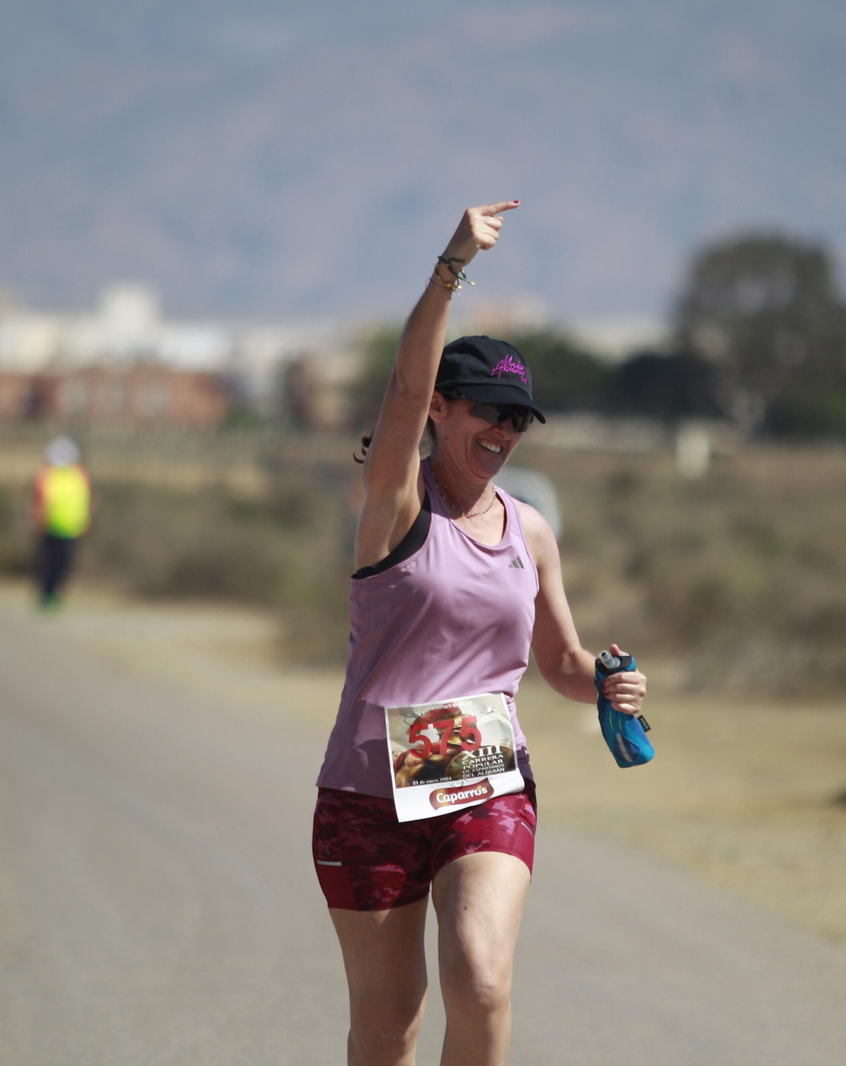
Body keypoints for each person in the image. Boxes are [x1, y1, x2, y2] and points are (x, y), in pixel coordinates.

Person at [313, 201, 648, 1066]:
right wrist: (451, 267)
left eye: (518, 418)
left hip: (482, 780)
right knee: (387, 1028)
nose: (503, 430)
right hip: (367, 794)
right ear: (441, 409)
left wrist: (604, 682)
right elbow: (400, 391)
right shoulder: (397, 506)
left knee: (482, 980)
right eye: (488, 410)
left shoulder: (531, 529)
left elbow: (561, 661)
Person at [31, 436, 91, 613]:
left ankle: (56, 596)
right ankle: (47, 596)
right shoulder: (47, 474)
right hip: (50, 527)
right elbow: (39, 500)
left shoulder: (79, 475)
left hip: (71, 528)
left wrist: (84, 520)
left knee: (64, 565)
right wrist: (38, 520)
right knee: (49, 564)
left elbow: (84, 500)